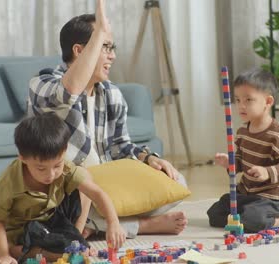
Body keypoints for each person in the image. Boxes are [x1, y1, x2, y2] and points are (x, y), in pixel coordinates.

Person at [27, 0, 187, 239]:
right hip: (66, 189)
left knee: (176, 180)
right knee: (68, 199)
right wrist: (99, 30)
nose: (112, 56)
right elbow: (68, 91)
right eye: (105, 47)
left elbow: (121, 146)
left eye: (113, 48)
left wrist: (148, 158)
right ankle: (139, 226)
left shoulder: (110, 92)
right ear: (80, 51)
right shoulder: (42, 84)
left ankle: (93, 226)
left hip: (104, 187)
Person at [0, 113, 126, 264]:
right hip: (25, 230)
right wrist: (4, 254)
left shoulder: (65, 168)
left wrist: (113, 222)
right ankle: (13, 250)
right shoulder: (10, 181)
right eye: (41, 169)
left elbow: (97, 193)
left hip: (54, 219)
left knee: (85, 177)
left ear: (64, 151)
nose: (51, 175)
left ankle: (75, 237)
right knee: (61, 254)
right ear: (23, 158)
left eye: (57, 165)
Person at [207, 68, 279, 233]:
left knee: (252, 221)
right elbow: (241, 162)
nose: (241, 106)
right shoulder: (243, 133)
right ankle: (250, 215)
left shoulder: (278, 134)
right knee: (215, 214)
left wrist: (268, 172)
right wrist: (231, 164)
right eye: (237, 100)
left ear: (268, 101)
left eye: (248, 100)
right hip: (246, 193)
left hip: (271, 196)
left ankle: (275, 218)